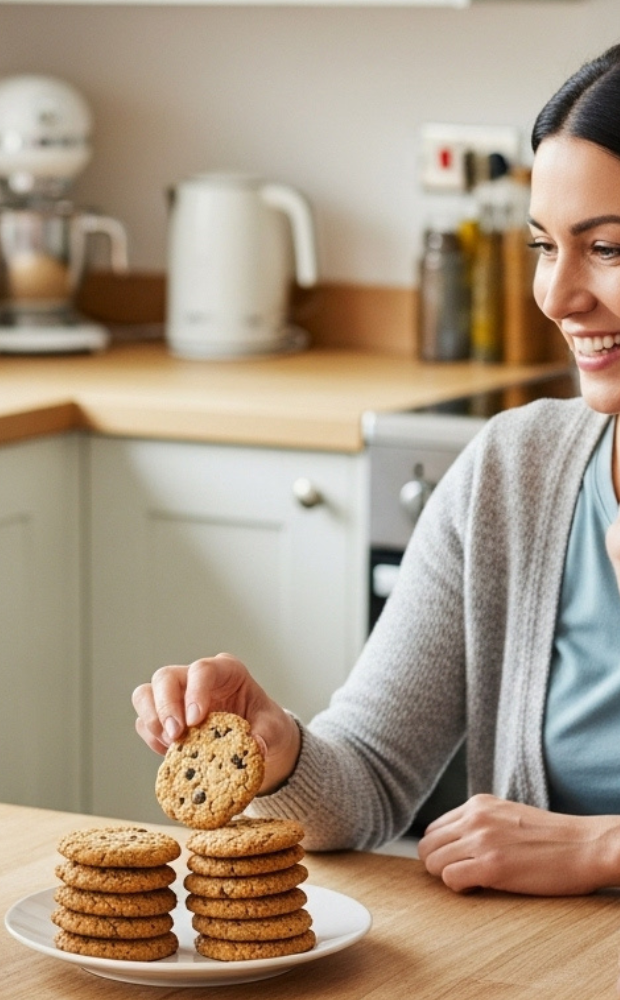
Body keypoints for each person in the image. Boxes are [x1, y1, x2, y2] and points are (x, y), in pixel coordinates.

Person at [134, 42, 620, 898]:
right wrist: (280, 750)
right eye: (546, 245)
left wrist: (601, 850)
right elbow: (367, 779)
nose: (557, 294)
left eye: (608, 248)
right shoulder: (513, 472)